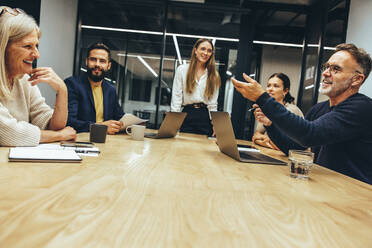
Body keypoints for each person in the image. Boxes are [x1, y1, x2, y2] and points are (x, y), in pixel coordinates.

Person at [232, 43, 372, 184]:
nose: (325, 73)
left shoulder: (362, 108)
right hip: (326, 186)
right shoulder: (319, 109)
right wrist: (270, 125)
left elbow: (309, 135)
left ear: (356, 79)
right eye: (326, 67)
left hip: (356, 193)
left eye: (336, 69)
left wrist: (262, 97)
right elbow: (295, 147)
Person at [0, 6, 76, 146]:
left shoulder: (23, 79)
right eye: (28, 46)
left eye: (36, 46)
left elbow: (50, 124)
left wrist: (62, 90)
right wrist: (58, 135)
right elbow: (8, 133)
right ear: (3, 47)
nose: (37, 55)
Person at [65, 43, 125, 134]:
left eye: (102, 61)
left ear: (108, 66)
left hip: (106, 140)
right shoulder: (72, 84)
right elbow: (69, 121)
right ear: (86, 62)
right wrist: (100, 127)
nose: (97, 64)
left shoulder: (110, 90)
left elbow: (120, 117)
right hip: (81, 140)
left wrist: (133, 123)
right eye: (93, 59)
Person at [171, 38, 221, 136]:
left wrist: (215, 123)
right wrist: (173, 122)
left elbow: (213, 103)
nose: (206, 53)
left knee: (203, 149)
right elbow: (176, 98)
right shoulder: (182, 70)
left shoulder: (214, 75)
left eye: (209, 51)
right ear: (195, 50)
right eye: (203, 49)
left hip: (204, 117)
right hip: (187, 115)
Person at [252, 73, 303, 150]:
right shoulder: (267, 110)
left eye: (275, 86)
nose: (270, 89)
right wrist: (268, 141)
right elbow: (255, 136)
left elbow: (283, 145)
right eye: (268, 85)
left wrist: (264, 140)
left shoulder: (291, 110)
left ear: (285, 91)